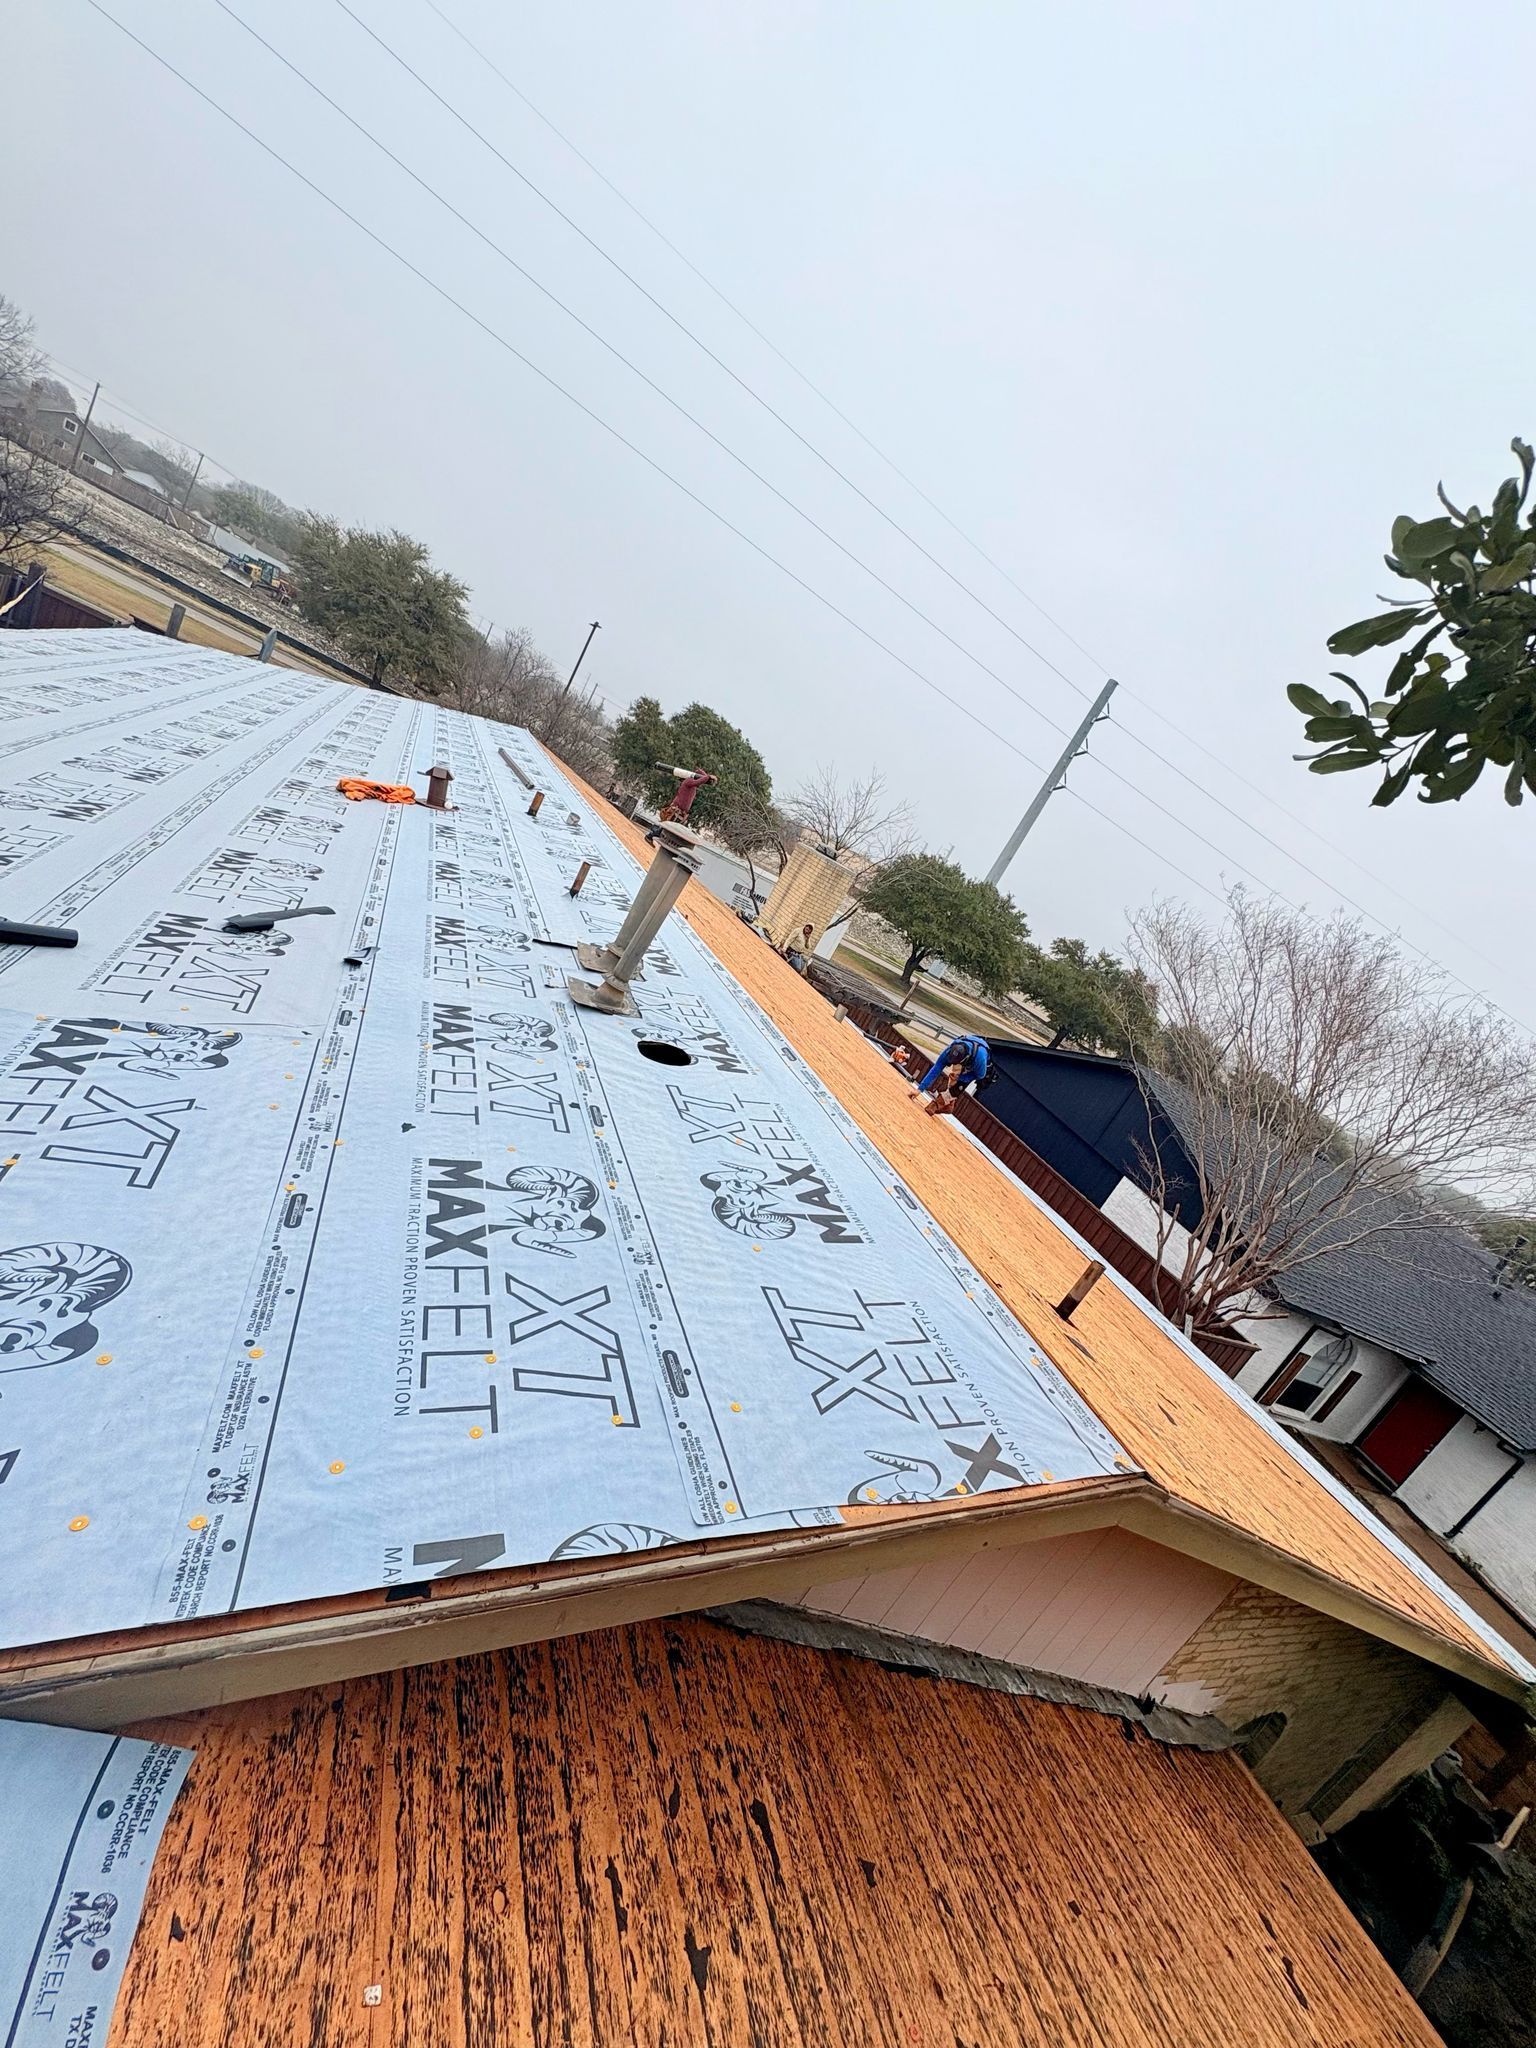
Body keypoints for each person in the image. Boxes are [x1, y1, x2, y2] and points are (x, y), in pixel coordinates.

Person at [911, 1033, 991, 1117]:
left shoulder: (980, 1060)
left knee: (958, 1084)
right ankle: (950, 1104)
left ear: (965, 1058)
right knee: (954, 1076)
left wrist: (962, 1078)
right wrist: (919, 1089)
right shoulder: (951, 1049)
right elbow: (937, 1068)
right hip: (968, 1050)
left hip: (977, 1063)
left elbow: (980, 1075)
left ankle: (938, 1104)